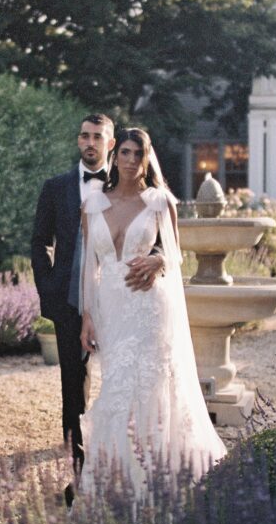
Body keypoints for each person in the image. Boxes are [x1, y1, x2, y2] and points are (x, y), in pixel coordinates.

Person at [78, 127, 226, 496]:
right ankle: (116, 475)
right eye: (124, 152)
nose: (130, 160)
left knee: (147, 384)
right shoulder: (93, 204)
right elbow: (88, 268)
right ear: (115, 156)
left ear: (147, 158)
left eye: (137, 154)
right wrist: (87, 315)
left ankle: (156, 475)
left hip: (148, 305)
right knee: (116, 383)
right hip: (110, 307)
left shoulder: (160, 202)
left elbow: (175, 254)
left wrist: (157, 260)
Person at [31, 115, 165, 490]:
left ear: (110, 145)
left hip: (128, 300)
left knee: (126, 379)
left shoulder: (127, 188)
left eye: (97, 137)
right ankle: (80, 471)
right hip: (72, 304)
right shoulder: (55, 188)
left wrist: (158, 259)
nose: (89, 143)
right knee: (74, 384)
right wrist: (51, 291)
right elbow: (39, 242)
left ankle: (132, 462)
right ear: (78, 141)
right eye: (84, 136)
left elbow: (154, 237)